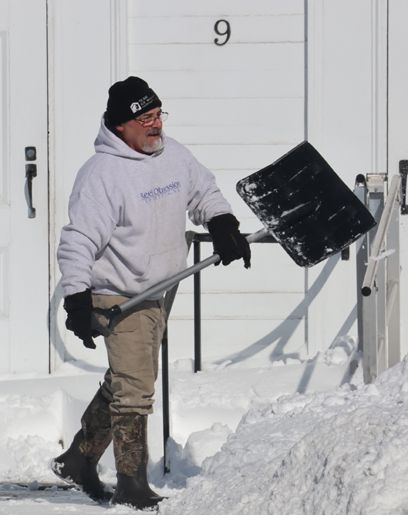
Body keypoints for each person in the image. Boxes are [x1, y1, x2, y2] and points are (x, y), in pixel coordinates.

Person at [52, 76, 251, 509]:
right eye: (145, 118)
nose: (155, 125)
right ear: (121, 125)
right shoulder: (102, 175)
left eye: (158, 114)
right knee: (135, 389)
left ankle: (78, 460)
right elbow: (77, 241)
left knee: (126, 379)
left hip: (161, 288)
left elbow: (203, 190)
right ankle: (131, 484)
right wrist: (77, 298)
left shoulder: (172, 154)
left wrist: (221, 222)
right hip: (118, 293)